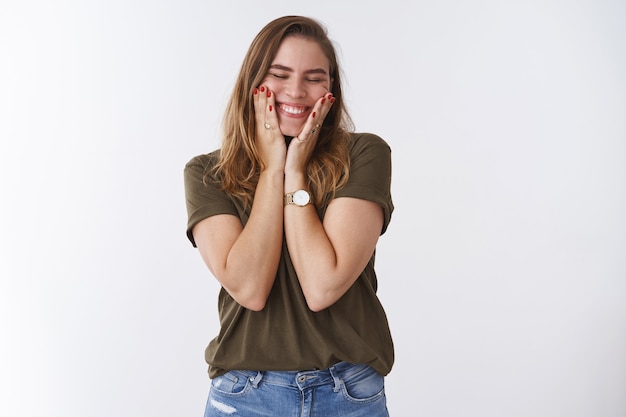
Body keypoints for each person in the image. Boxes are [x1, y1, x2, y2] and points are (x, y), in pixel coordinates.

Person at [184, 15, 394, 417]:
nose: (296, 91)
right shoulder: (207, 174)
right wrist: (272, 170)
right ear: (253, 82)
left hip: (348, 393)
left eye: (315, 77)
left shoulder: (364, 155)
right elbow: (250, 288)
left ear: (330, 88)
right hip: (245, 396)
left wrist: (294, 172)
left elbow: (322, 286)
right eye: (279, 74)